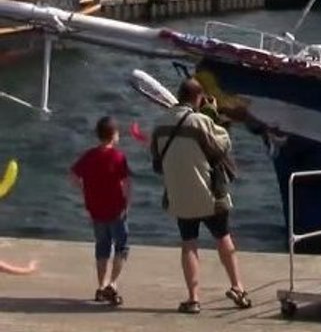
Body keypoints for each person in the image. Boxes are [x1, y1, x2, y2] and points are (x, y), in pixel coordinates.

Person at [151, 78, 252, 314]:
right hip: (210, 194)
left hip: (180, 195)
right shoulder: (201, 122)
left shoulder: (159, 125)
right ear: (197, 98)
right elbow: (222, 147)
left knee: (189, 245)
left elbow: (157, 164)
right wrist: (213, 116)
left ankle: (193, 298)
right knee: (223, 238)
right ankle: (238, 287)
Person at [70, 116, 130, 306]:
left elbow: (72, 175)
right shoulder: (118, 157)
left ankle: (101, 286)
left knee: (102, 247)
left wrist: (83, 190)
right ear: (114, 136)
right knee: (121, 247)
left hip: (96, 210)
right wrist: (127, 204)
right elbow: (127, 183)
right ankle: (112, 283)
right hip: (116, 210)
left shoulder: (89, 156)